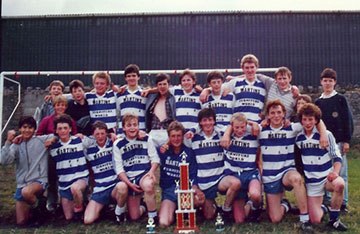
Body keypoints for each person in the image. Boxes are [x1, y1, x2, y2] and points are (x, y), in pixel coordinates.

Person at [258, 100, 313, 232]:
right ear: (268, 116)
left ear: (284, 114)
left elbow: (316, 119)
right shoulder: (260, 130)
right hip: (270, 176)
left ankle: (304, 219)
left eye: (279, 112)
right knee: (275, 218)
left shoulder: (292, 128)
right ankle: (285, 204)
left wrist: (323, 134)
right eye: (272, 113)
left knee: (296, 179)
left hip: (287, 172)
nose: (276, 115)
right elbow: (238, 123)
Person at [296, 103, 347, 231]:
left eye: (311, 119)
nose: (307, 123)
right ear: (301, 120)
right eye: (304, 119)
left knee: (339, 184)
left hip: (326, 177)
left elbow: (337, 157)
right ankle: (324, 207)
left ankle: (334, 219)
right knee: (315, 220)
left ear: (316, 120)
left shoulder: (326, 135)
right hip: (312, 181)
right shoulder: (298, 138)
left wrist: (335, 172)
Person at [0, 116, 53, 226]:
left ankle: (40, 210)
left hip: (39, 180)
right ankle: (36, 206)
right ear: (20, 129)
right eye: (24, 127)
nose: (27, 130)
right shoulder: (16, 144)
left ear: (34, 130)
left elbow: (56, 135)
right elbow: (4, 161)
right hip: (22, 184)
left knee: (26, 192)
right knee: (21, 222)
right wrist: (8, 142)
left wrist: (53, 140)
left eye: (30, 128)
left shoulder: (40, 140)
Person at [190, 108, 239, 222]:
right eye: (204, 120)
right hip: (204, 181)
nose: (207, 123)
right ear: (200, 123)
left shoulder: (220, 133)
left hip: (220, 177)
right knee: (208, 216)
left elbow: (232, 124)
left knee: (235, 183)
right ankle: (213, 206)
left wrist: (227, 135)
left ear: (214, 121)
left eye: (210, 120)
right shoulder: (194, 138)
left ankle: (226, 209)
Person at [315, 68, 353, 212]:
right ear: (321, 82)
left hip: (338, 142)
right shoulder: (318, 102)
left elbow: (347, 120)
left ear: (335, 82)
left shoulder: (340, 99)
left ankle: (343, 203)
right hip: (323, 144)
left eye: (330, 81)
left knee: (341, 173)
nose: (328, 83)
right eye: (325, 80)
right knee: (325, 172)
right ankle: (327, 200)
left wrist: (347, 140)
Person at [113, 114, 159, 222]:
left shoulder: (147, 138)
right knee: (134, 216)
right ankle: (126, 210)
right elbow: (119, 169)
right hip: (128, 178)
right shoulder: (118, 144)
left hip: (143, 175)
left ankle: (153, 216)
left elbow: (155, 159)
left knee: (148, 185)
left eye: (135, 125)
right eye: (129, 125)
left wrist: (151, 172)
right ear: (123, 128)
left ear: (139, 126)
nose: (132, 127)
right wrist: (129, 184)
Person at [157, 121, 205, 227]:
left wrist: (195, 189)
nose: (176, 139)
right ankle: (175, 209)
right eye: (173, 136)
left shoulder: (189, 152)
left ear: (183, 136)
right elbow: (150, 144)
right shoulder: (163, 151)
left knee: (198, 200)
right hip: (170, 192)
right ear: (169, 137)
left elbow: (192, 174)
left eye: (179, 136)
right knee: (163, 223)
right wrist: (166, 144)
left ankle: (189, 209)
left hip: (185, 191)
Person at [36, 95, 77, 213]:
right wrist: (50, 140)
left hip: (67, 153)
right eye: (58, 105)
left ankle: (69, 200)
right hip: (51, 154)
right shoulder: (46, 120)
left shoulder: (70, 120)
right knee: (52, 177)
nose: (60, 107)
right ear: (54, 106)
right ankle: (52, 202)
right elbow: (38, 136)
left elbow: (74, 135)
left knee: (68, 177)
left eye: (63, 105)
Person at [82, 121, 127, 225]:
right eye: (97, 134)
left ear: (107, 133)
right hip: (100, 188)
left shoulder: (114, 143)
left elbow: (128, 137)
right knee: (88, 220)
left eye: (102, 133)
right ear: (93, 135)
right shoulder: (89, 149)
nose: (100, 136)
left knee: (122, 186)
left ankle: (119, 213)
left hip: (114, 185)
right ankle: (104, 209)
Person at [223, 113, 262, 223]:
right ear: (232, 126)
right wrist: (227, 133)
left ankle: (255, 208)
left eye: (242, 127)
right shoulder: (226, 134)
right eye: (237, 127)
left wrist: (253, 123)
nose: (240, 130)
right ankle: (226, 210)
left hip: (250, 174)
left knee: (255, 194)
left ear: (246, 125)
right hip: (234, 175)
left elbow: (265, 125)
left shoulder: (253, 134)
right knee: (239, 220)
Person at [49, 114, 89, 221]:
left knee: (75, 189)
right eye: (60, 128)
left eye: (65, 128)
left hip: (80, 178)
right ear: (56, 131)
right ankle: (80, 204)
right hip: (64, 183)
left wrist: (110, 135)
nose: (63, 131)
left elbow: (96, 140)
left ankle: (79, 210)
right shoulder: (53, 147)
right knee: (68, 217)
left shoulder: (79, 141)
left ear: (70, 129)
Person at [145, 73, 176, 147]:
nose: (162, 86)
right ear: (157, 86)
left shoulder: (173, 97)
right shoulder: (151, 97)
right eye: (160, 84)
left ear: (169, 85)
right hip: (153, 132)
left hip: (167, 132)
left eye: (164, 84)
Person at [116, 64, 147, 133]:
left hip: (140, 131)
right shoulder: (119, 94)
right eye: (128, 76)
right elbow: (117, 113)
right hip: (123, 132)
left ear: (138, 77)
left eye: (133, 75)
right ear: (125, 78)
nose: (131, 78)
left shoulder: (144, 94)